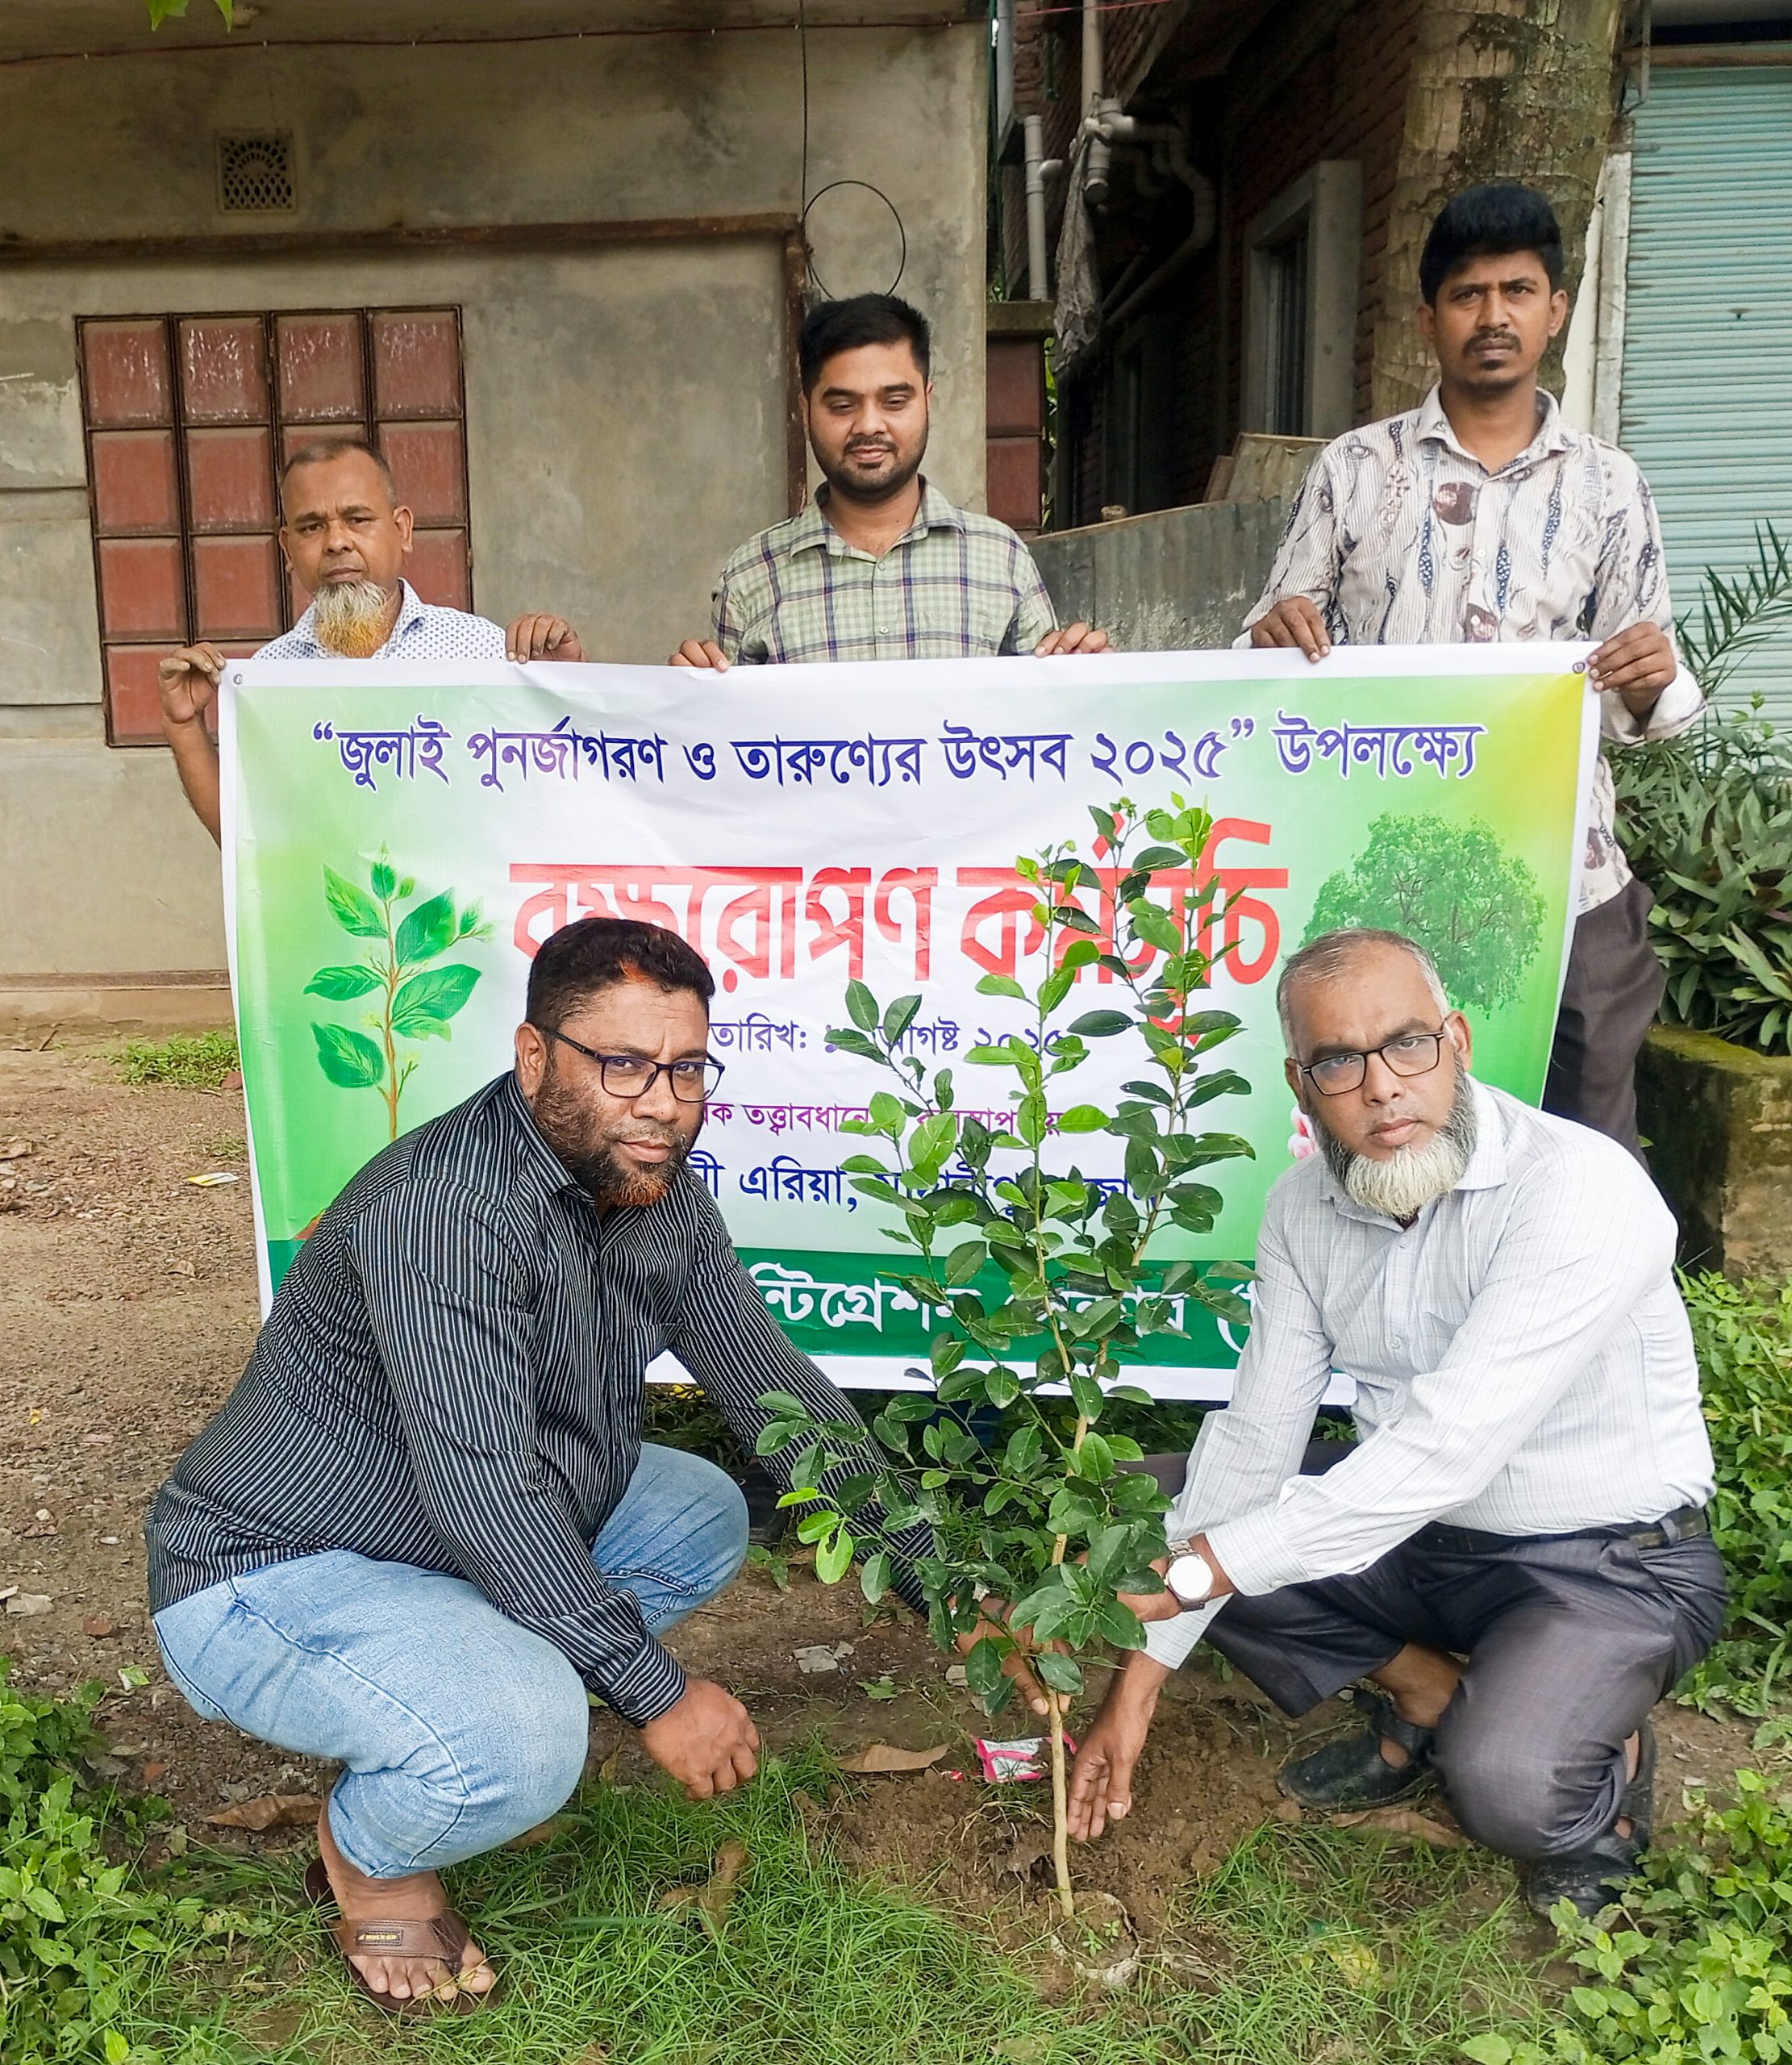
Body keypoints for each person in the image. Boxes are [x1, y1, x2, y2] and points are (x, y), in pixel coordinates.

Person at [145, 916, 1036, 2015]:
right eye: (622, 1065)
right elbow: (484, 1488)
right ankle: (370, 1848)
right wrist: (656, 1692)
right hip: (273, 1570)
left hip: (431, 1532)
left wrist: (953, 1593)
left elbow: (781, 1399)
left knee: (698, 1510)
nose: (662, 1101)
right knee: (528, 1741)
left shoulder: (652, 1186)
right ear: (533, 1059)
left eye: (686, 1069)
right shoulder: (447, 1211)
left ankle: (458, 1685)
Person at [1064, 928, 1725, 1917]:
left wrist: (1202, 1570)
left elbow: (1445, 1448)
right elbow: (1255, 1437)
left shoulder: (1577, 1188)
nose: (1379, 1086)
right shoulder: (1301, 1210)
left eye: (1405, 1044)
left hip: (1607, 1560)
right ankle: (1428, 1692)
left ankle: (1601, 1777)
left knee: (1503, 1784)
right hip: (1424, 1543)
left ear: (1454, 1040)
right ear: (1301, 1085)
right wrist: (1139, 1683)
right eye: (1338, 1061)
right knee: (1153, 1502)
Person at [1240, 183, 1702, 1153]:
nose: (1492, 316)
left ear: (1555, 309)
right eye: (1466, 294)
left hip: (1568, 880)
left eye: (1517, 291)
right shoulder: (1353, 471)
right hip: (1379, 876)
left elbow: (1649, 701)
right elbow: (1268, 655)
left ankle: (1581, 1312)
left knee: (1583, 1152)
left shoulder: (1608, 486)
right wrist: (1271, 635)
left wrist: (1650, 673)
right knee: (1389, 1137)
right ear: (1427, 318)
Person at [156, 436, 586, 843]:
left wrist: (568, 689)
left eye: (357, 519)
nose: (337, 542)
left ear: (402, 529)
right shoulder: (270, 678)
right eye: (311, 528)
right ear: (288, 549)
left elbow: (567, 797)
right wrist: (184, 726)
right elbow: (247, 840)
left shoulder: (483, 651)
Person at [669, 294, 1107, 669]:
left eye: (895, 401)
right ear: (806, 411)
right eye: (842, 406)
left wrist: (1084, 680)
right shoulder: (751, 574)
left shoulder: (1000, 557)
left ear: (927, 401)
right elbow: (727, 745)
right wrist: (690, 692)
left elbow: (1044, 726)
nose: (869, 425)